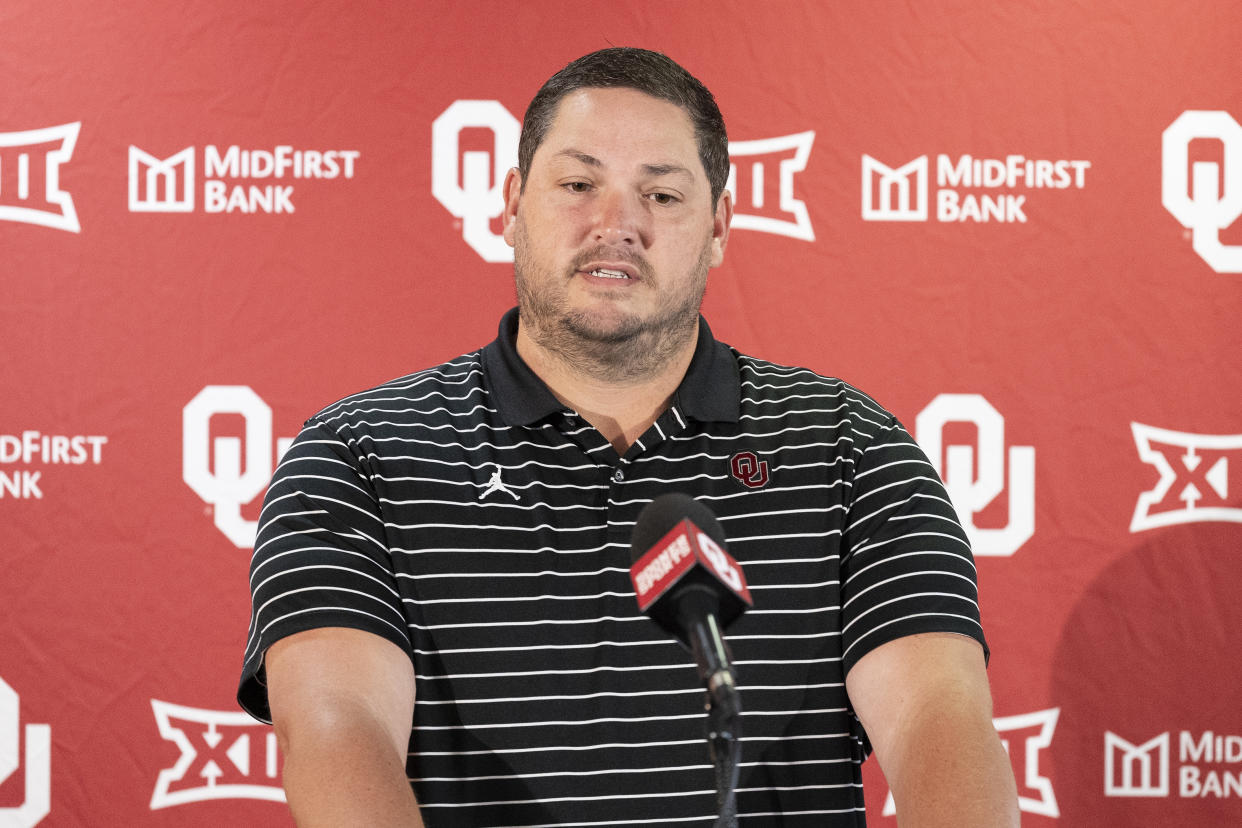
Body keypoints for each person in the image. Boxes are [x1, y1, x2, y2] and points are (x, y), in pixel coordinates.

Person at [239, 47, 1019, 827]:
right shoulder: (357, 456)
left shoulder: (849, 448)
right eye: (578, 185)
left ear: (717, 226)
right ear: (511, 205)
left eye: (663, 194)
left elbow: (938, 723)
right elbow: (340, 731)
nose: (618, 225)